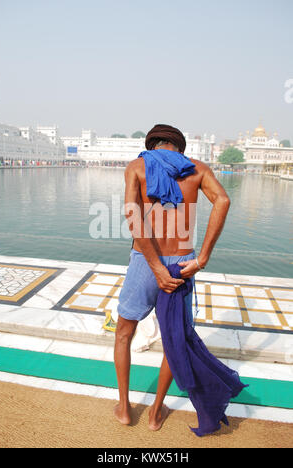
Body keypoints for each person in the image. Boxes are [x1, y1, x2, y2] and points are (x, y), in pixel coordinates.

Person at [114, 124, 231, 431]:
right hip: (182, 262)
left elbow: (132, 216)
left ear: (152, 145)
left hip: (145, 259)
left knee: (124, 332)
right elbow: (223, 200)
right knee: (173, 339)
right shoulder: (197, 169)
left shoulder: (138, 167)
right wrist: (202, 258)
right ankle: (154, 413)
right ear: (180, 148)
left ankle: (125, 408)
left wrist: (155, 267)